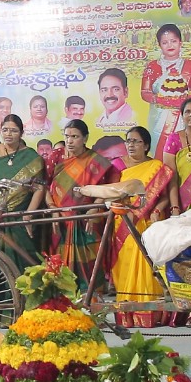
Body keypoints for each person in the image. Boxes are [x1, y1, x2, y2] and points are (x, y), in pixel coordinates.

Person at [110, 126, 176, 327]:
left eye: (136, 141)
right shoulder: (117, 166)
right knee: (126, 265)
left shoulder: (156, 167)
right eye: (128, 141)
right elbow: (111, 194)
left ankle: (151, 314)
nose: (131, 145)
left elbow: (163, 198)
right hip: (123, 221)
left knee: (148, 266)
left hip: (148, 223)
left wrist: (157, 210)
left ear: (146, 145)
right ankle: (128, 314)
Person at [46, 119, 116, 281]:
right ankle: (61, 301)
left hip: (87, 219)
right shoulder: (56, 157)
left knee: (90, 266)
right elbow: (43, 186)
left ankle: (90, 299)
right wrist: (52, 209)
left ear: (85, 138)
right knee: (58, 263)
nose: (69, 140)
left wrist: (93, 209)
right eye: (67, 136)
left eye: (75, 136)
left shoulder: (95, 161)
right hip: (59, 220)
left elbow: (106, 189)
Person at [0, 113, 46, 267]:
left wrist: (28, 216)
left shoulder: (32, 157)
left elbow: (39, 189)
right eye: (5, 130)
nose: (8, 134)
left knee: (24, 260)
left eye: (14, 131)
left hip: (20, 216)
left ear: (21, 133)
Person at [141, 24, 191, 158]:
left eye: (173, 41)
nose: (170, 45)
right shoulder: (152, 66)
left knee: (186, 155)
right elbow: (145, 92)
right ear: (159, 45)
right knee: (161, 154)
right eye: (165, 42)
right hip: (159, 118)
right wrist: (162, 100)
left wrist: (185, 101)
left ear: (180, 42)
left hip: (184, 116)